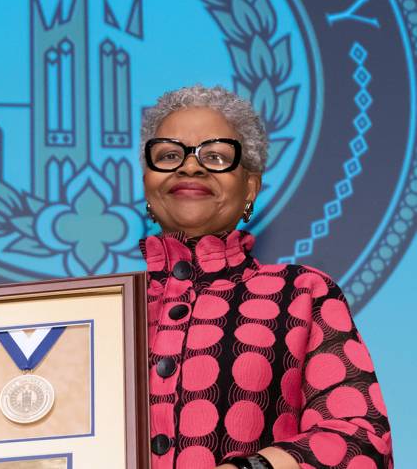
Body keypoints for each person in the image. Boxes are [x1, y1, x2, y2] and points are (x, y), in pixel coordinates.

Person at [140, 85, 393, 469]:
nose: (190, 166)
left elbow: (361, 437)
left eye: (217, 156)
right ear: (147, 181)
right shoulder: (104, 312)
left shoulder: (302, 295)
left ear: (250, 188)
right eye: (169, 155)